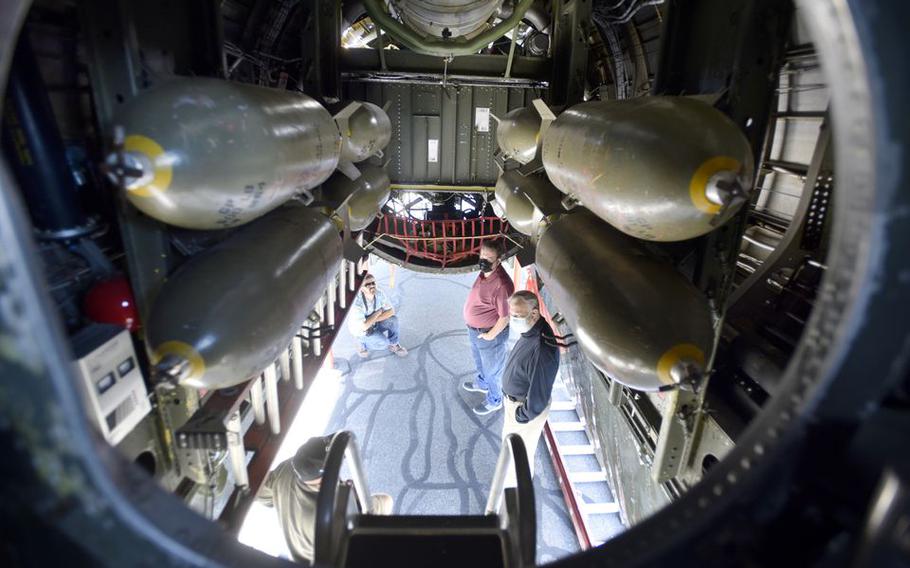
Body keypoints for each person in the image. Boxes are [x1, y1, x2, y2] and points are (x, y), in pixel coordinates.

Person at [257, 435, 393, 564]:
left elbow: (258, 491)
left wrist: (284, 498)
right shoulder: (335, 510)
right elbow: (386, 502)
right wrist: (356, 500)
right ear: (325, 479)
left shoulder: (287, 469)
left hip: (296, 558)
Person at [500, 290, 560, 484]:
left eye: (518, 315)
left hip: (522, 409)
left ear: (534, 313)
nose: (514, 319)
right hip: (515, 403)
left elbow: (539, 396)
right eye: (512, 314)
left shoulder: (542, 348)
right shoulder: (532, 329)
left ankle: (515, 498)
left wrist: (521, 415)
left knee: (517, 456)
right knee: (511, 451)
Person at [461, 239, 514, 415]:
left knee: (493, 371)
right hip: (475, 330)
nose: (483, 260)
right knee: (479, 361)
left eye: (489, 258)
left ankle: (495, 399)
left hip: (491, 334)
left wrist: (491, 335)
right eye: (482, 255)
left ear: (498, 261)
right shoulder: (486, 272)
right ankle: (482, 383)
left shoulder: (502, 284)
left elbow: (505, 317)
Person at [348, 273, 408, 358]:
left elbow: (391, 311)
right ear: (361, 288)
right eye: (367, 284)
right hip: (361, 331)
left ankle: (394, 344)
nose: (372, 285)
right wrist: (379, 312)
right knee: (383, 344)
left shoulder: (379, 293)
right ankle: (362, 343)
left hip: (374, 324)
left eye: (373, 283)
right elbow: (364, 326)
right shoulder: (357, 303)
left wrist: (373, 320)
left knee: (393, 320)